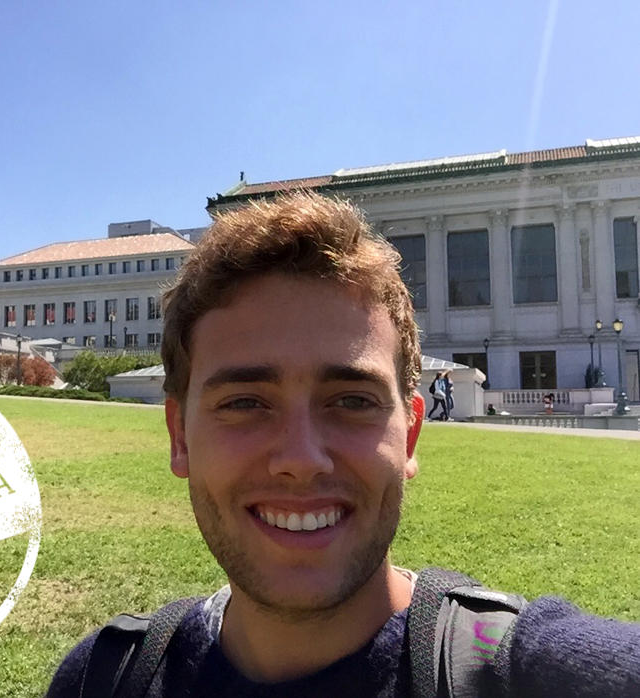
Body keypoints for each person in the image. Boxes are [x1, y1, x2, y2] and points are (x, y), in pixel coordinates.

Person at [46, 193, 640, 697]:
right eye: (245, 402)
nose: (301, 460)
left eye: (352, 401)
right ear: (180, 436)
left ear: (409, 433)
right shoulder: (102, 677)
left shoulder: (520, 669)